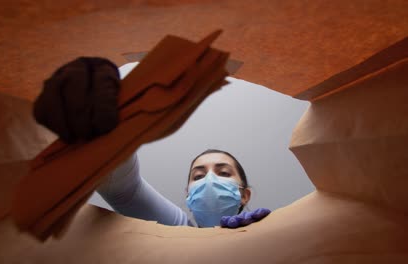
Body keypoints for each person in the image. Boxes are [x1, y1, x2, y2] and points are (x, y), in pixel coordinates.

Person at [33, 57, 271, 228]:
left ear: (245, 195)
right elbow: (123, 190)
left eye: (223, 173)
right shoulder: (176, 231)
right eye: (198, 177)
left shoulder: (272, 234)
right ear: (188, 195)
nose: (209, 180)